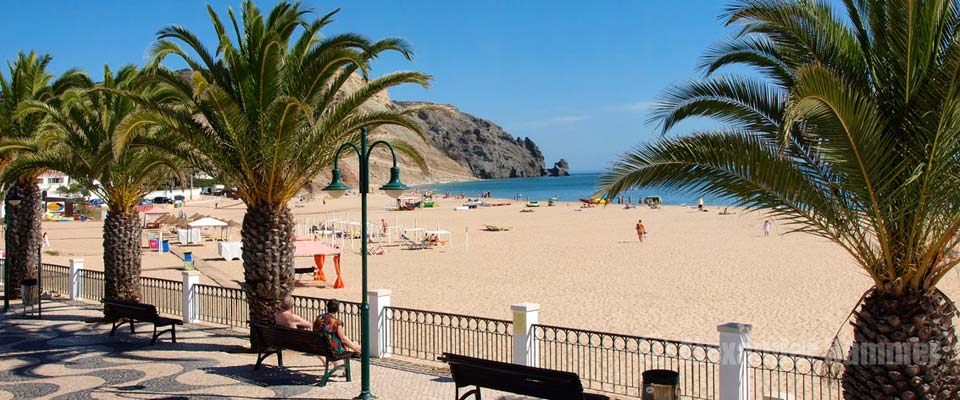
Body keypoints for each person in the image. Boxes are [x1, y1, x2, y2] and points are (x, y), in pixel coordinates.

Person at [314, 299, 362, 368]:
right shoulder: (336, 322)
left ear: (327, 307)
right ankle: (346, 370)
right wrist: (353, 347)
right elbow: (342, 339)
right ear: (337, 309)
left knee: (335, 341)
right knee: (344, 346)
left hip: (317, 347)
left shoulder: (319, 318)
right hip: (329, 349)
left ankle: (354, 349)